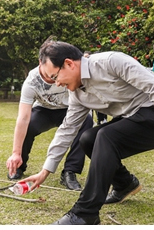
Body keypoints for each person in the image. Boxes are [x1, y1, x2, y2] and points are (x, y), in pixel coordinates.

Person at [20, 40, 154, 225]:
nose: (57, 84)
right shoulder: (77, 95)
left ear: (69, 63)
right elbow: (67, 130)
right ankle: (125, 184)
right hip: (132, 117)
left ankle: (85, 214)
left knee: (106, 136)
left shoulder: (112, 62)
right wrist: (45, 171)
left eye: (55, 76)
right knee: (88, 138)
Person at [6, 62, 93, 190]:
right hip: (44, 110)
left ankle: (70, 172)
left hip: (69, 109)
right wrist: (15, 152)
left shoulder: (68, 72)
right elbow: (23, 118)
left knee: (86, 121)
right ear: (41, 62)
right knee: (28, 125)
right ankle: (18, 165)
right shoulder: (32, 81)